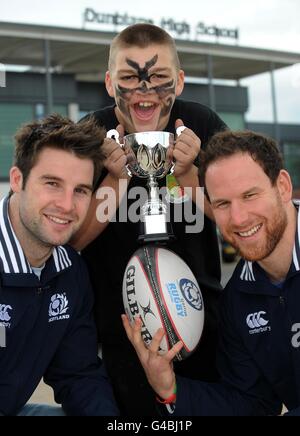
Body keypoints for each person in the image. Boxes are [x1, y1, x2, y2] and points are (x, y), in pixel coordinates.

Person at [72, 23, 227, 415]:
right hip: (122, 332)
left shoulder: (202, 125)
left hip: (203, 324)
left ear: (179, 80)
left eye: (158, 77)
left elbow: (239, 222)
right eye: (129, 77)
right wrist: (115, 179)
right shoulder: (90, 134)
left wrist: (188, 176)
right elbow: (72, 242)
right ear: (109, 83)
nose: (144, 89)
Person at [123, 129, 300, 416]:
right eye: (222, 204)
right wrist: (171, 390)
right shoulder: (239, 299)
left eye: (250, 195)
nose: (239, 218)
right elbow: (250, 404)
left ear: (282, 186)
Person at [0, 114, 119, 416]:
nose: (67, 206)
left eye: (80, 190)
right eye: (52, 183)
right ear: (17, 180)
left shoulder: (70, 271)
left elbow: (78, 375)